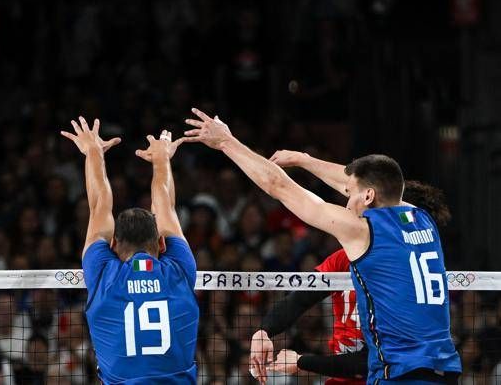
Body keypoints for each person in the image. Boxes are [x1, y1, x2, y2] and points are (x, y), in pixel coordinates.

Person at [183, 109, 461, 384]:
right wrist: (305, 161)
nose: (346, 201)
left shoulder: (362, 230)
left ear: (368, 195)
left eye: (349, 195)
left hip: (401, 374)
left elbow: (278, 185)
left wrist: (226, 142)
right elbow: (363, 183)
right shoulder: (423, 220)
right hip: (444, 369)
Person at [261, 180, 454, 384]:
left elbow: (368, 360)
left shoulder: (406, 285)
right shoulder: (343, 259)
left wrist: (302, 362)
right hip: (343, 374)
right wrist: (264, 331)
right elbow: (302, 298)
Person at [61, 117, 199, 383]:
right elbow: (165, 205)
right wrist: (161, 160)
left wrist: (93, 152)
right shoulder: (179, 270)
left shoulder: (103, 273)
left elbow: (99, 204)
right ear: (161, 244)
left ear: (113, 244)